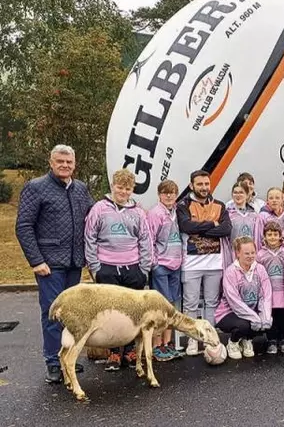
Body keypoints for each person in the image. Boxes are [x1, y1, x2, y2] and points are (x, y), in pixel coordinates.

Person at [15, 144, 94, 384]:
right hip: (49, 264)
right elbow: (24, 226)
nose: (65, 165)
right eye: (60, 161)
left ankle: (67, 358)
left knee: (71, 314)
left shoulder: (80, 188)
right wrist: (36, 260)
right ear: (51, 162)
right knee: (52, 313)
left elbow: (94, 216)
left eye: (69, 162)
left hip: (74, 262)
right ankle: (52, 362)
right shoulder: (36, 187)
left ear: (74, 164)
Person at [84, 169, 152, 371]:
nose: (123, 192)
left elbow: (145, 240)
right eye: (120, 187)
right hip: (107, 267)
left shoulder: (138, 212)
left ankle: (130, 350)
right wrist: (96, 268)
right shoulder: (99, 208)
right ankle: (113, 352)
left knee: (131, 312)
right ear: (113, 186)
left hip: (132, 267)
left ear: (132, 190)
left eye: (128, 188)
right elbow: (89, 238)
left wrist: (144, 269)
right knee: (109, 312)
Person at [177, 169, 233, 356]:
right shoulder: (183, 205)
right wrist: (211, 224)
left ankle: (210, 340)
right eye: (199, 184)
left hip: (214, 264)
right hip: (191, 263)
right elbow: (186, 226)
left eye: (206, 184)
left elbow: (226, 230)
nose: (204, 187)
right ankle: (193, 340)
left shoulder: (219, 205)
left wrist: (199, 229)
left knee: (211, 303)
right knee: (191, 304)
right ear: (192, 185)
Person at [215, 237, 272, 360]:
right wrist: (254, 317)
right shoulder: (230, 272)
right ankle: (233, 342)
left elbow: (265, 295)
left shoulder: (260, 269)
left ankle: (247, 340)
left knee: (264, 322)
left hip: (251, 310)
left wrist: (265, 316)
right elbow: (234, 301)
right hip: (228, 313)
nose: (250, 256)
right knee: (245, 325)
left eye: (253, 252)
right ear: (238, 253)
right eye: (247, 253)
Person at [147, 179, 185, 361]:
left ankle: (168, 344)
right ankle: (156, 345)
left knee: (172, 306)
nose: (169, 195)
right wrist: (154, 263)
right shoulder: (156, 213)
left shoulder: (176, 211)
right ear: (159, 194)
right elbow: (150, 239)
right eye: (165, 192)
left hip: (176, 264)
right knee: (161, 306)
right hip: (161, 264)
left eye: (172, 192)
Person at [256, 221, 284, 354]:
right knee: (270, 315)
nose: (272, 237)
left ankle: (282, 338)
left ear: (280, 236)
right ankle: (271, 340)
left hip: (283, 291)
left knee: (282, 316)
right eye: (269, 234)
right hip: (268, 292)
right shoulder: (260, 254)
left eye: (275, 234)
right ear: (264, 236)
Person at [254, 187, 284, 251]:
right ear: (267, 201)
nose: (274, 200)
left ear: (282, 199)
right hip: (266, 252)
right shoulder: (262, 216)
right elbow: (258, 238)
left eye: (277, 198)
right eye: (271, 198)